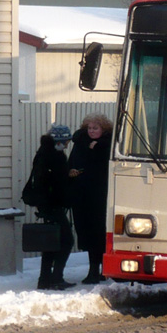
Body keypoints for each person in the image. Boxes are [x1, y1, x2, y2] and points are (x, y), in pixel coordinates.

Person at [68, 113, 114, 285]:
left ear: (103, 129)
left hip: (101, 194)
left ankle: (100, 269)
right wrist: (72, 171)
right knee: (86, 231)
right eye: (90, 128)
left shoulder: (107, 144)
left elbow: (105, 166)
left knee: (99, 231)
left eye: (96, 128)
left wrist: (98, 148)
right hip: (81, 194)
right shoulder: (80, 143)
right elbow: (72, 162)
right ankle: (94, 268)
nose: (92, 131)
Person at [30, 123, 75, 291]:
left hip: (45, 205)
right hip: (53, 205)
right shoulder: (55, 157)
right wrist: (69, 177)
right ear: (59, 141)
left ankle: (44, 279)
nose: (67, 145)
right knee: (66, 241)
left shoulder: (42, 153)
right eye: (66, 142)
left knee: (50, 242)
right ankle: (56, 278)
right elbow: (58, 184)